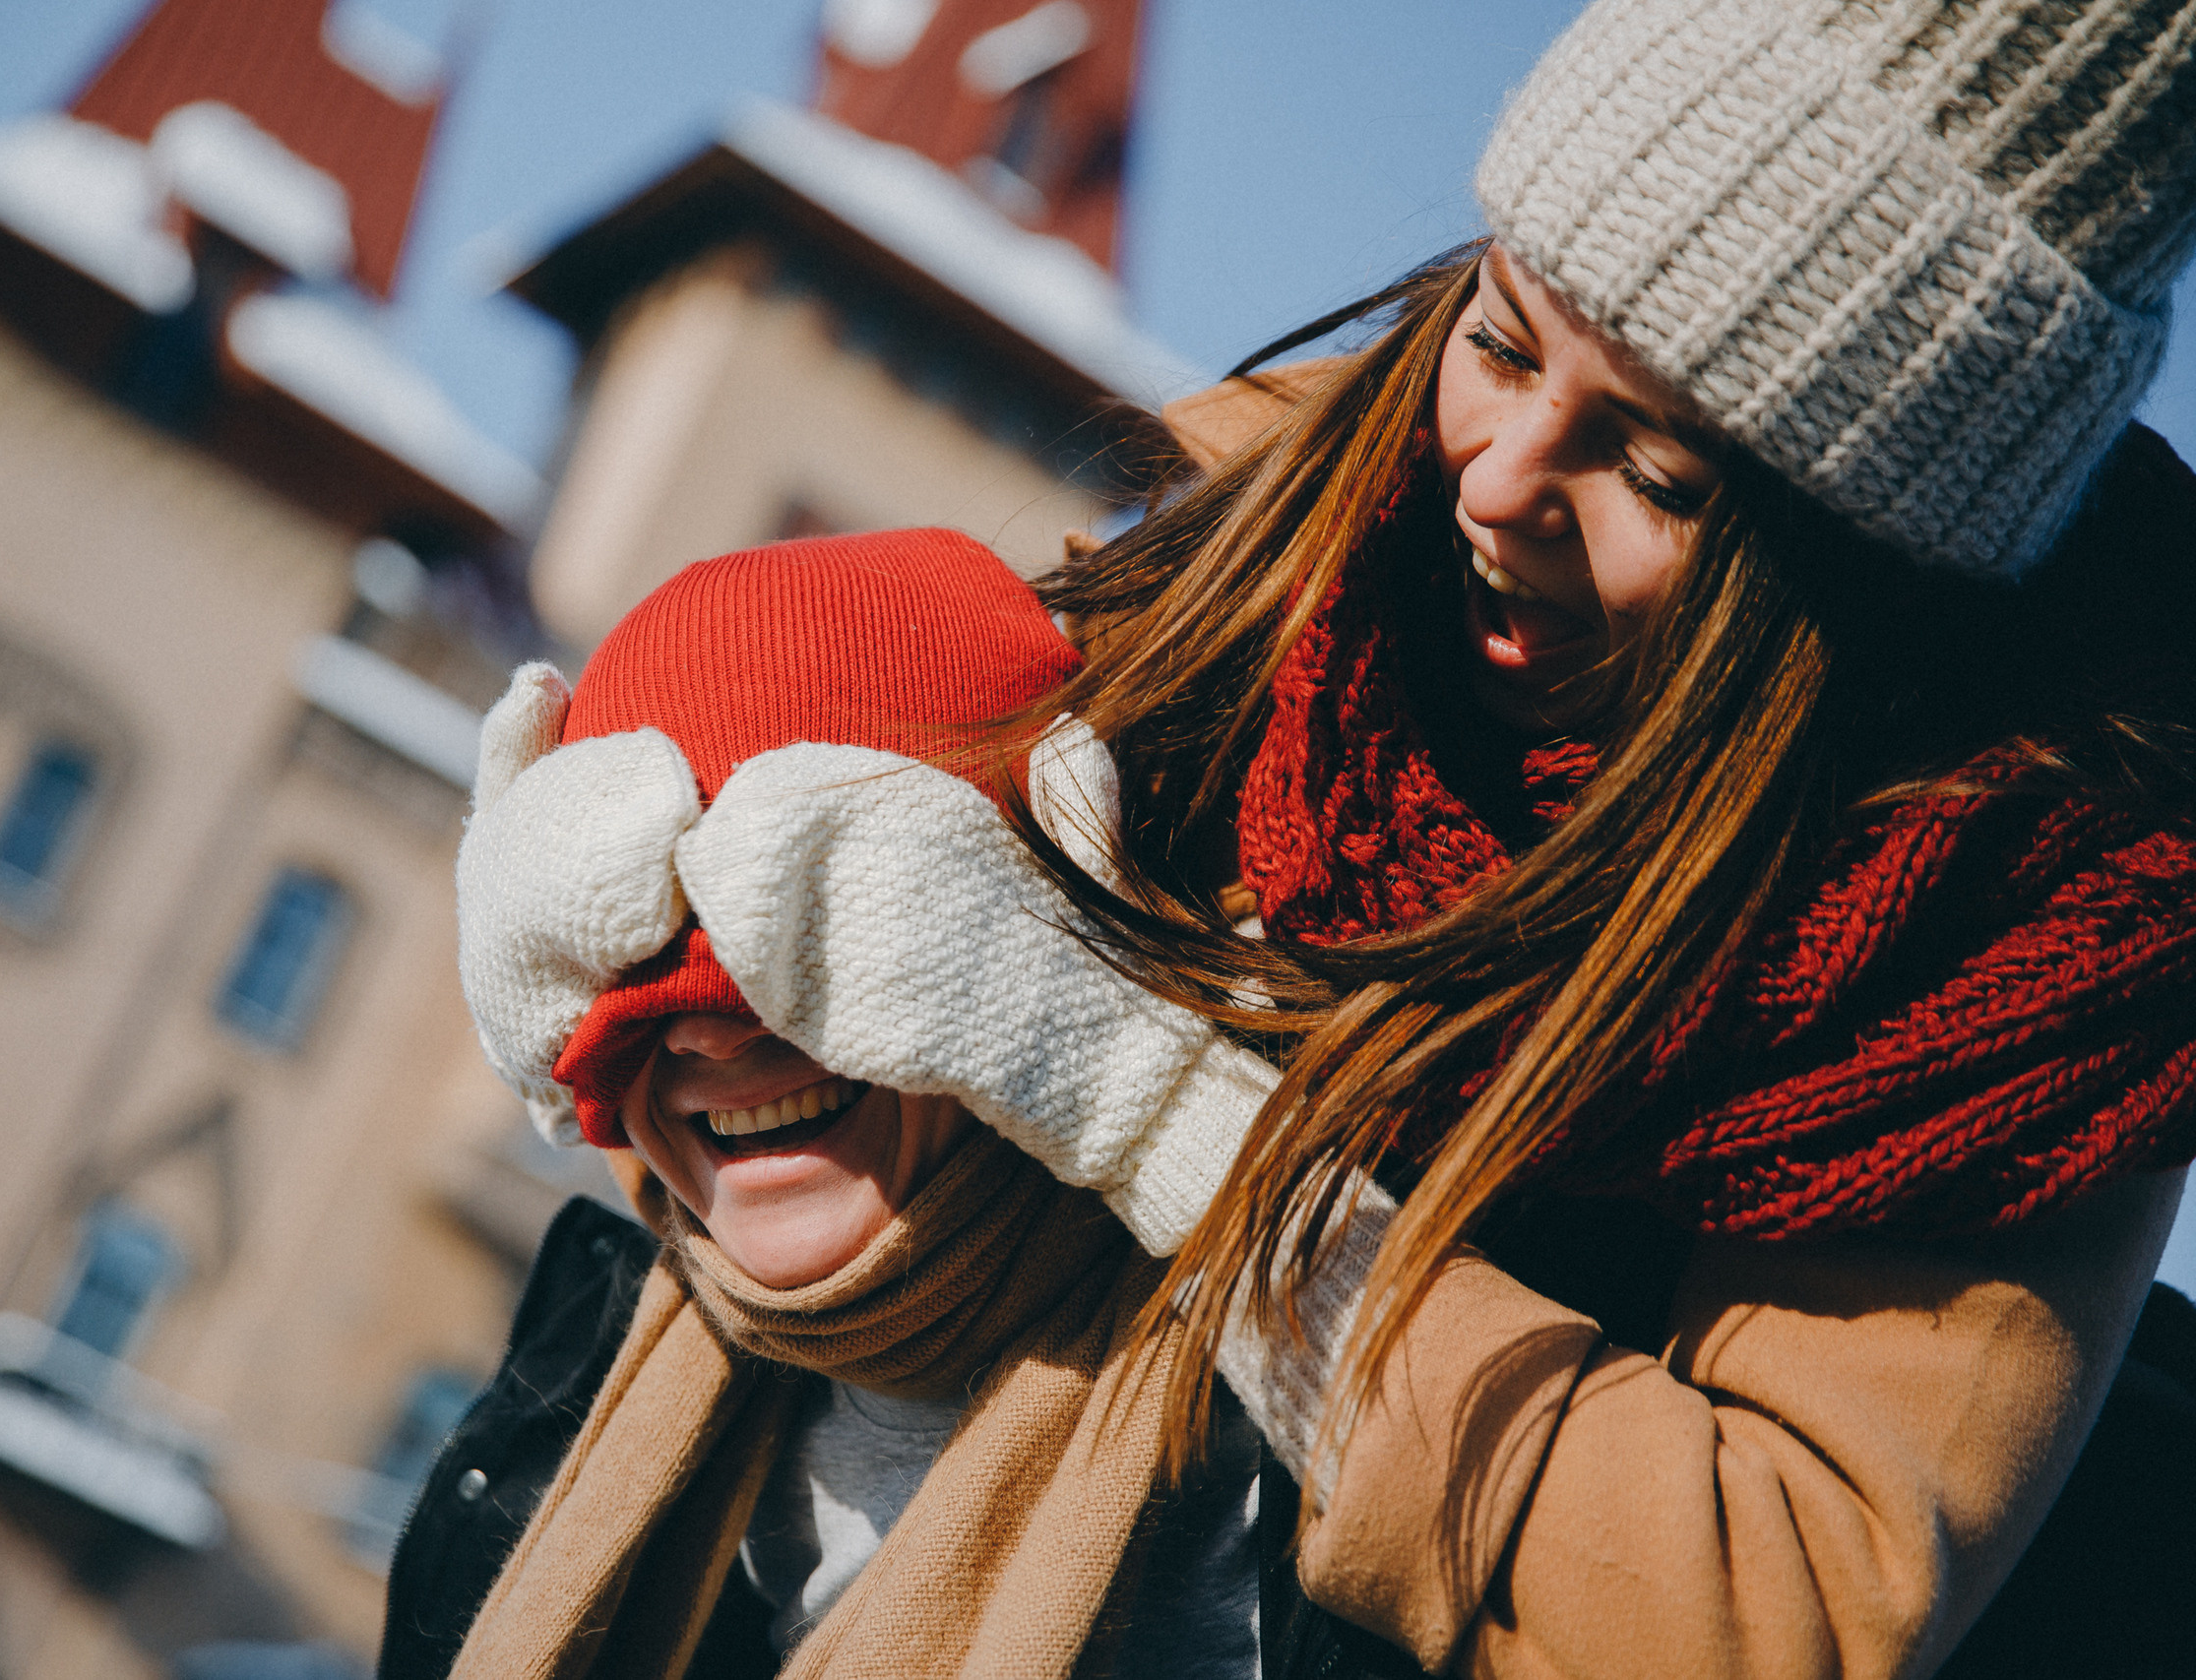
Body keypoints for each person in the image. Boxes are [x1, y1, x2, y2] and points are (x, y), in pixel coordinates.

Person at [639, 1, 2196, 1675]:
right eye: (1507, 339)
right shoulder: (1271, 544)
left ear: (1862, 575)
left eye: (1659, 472)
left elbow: (1762, 1610)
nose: (1499, 478)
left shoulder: (2024, 954)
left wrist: (1138, 1097)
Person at [403, 531, 1285, 1679]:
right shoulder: (548, 1432)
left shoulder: (1283, 1404)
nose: (709, 1027)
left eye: (817, 915)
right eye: (630, 936)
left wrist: (1149, 1098)